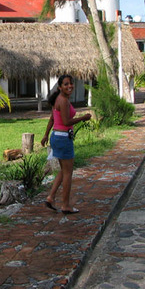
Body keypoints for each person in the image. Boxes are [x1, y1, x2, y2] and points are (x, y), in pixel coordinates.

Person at [40, 74, 91, 214]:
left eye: (71, 83)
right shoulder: (62, 101)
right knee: (68, 173)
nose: (70, 86)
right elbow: (66, 122)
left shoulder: (59, 99)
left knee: (64, 170)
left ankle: (50, 197)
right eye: (66, 84)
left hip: (56, 137)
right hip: (63, 138)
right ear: (60, 87)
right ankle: (66, 205)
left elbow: (52, 119)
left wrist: (45, 135)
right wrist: (83, 118)